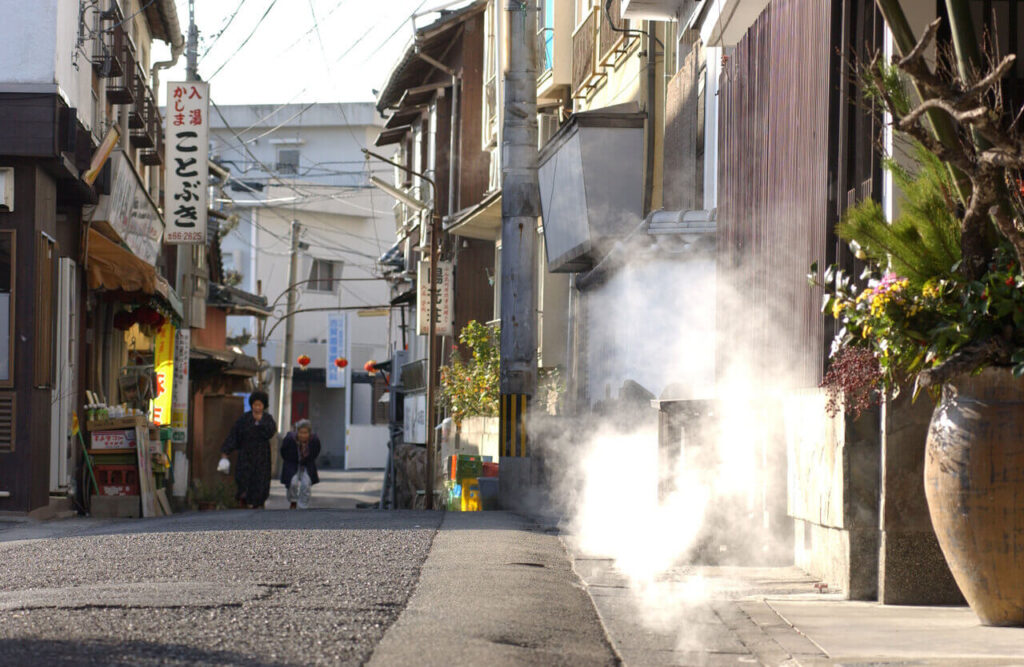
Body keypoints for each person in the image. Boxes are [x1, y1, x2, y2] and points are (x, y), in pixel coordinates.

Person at [220, 390, 276, 509]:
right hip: (246, 455)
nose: (257, 408)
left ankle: (259, 503)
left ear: (264, 406)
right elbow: (234, 435)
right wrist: (225, 452)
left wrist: (260, 423)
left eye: (260, 405)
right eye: (255, 405)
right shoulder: (244, 419)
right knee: (244, 478)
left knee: (261, 480)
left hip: (262, 457)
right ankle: (243, 500)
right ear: (251, 405)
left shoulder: (267, 419)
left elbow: (271, 432)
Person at [280, 418, 321, 509]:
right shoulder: (290, 439)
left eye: (305, 433)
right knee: (293, 482)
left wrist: (307, 460)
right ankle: (293, 501)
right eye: (301, 432)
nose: (303, 435)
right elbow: (283, 451)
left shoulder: (314, 440)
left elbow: (316, 452)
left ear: (309, 433)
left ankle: (303, 505)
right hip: (292, 463)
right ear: (297, 432)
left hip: (307, 464)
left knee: (306, 484)